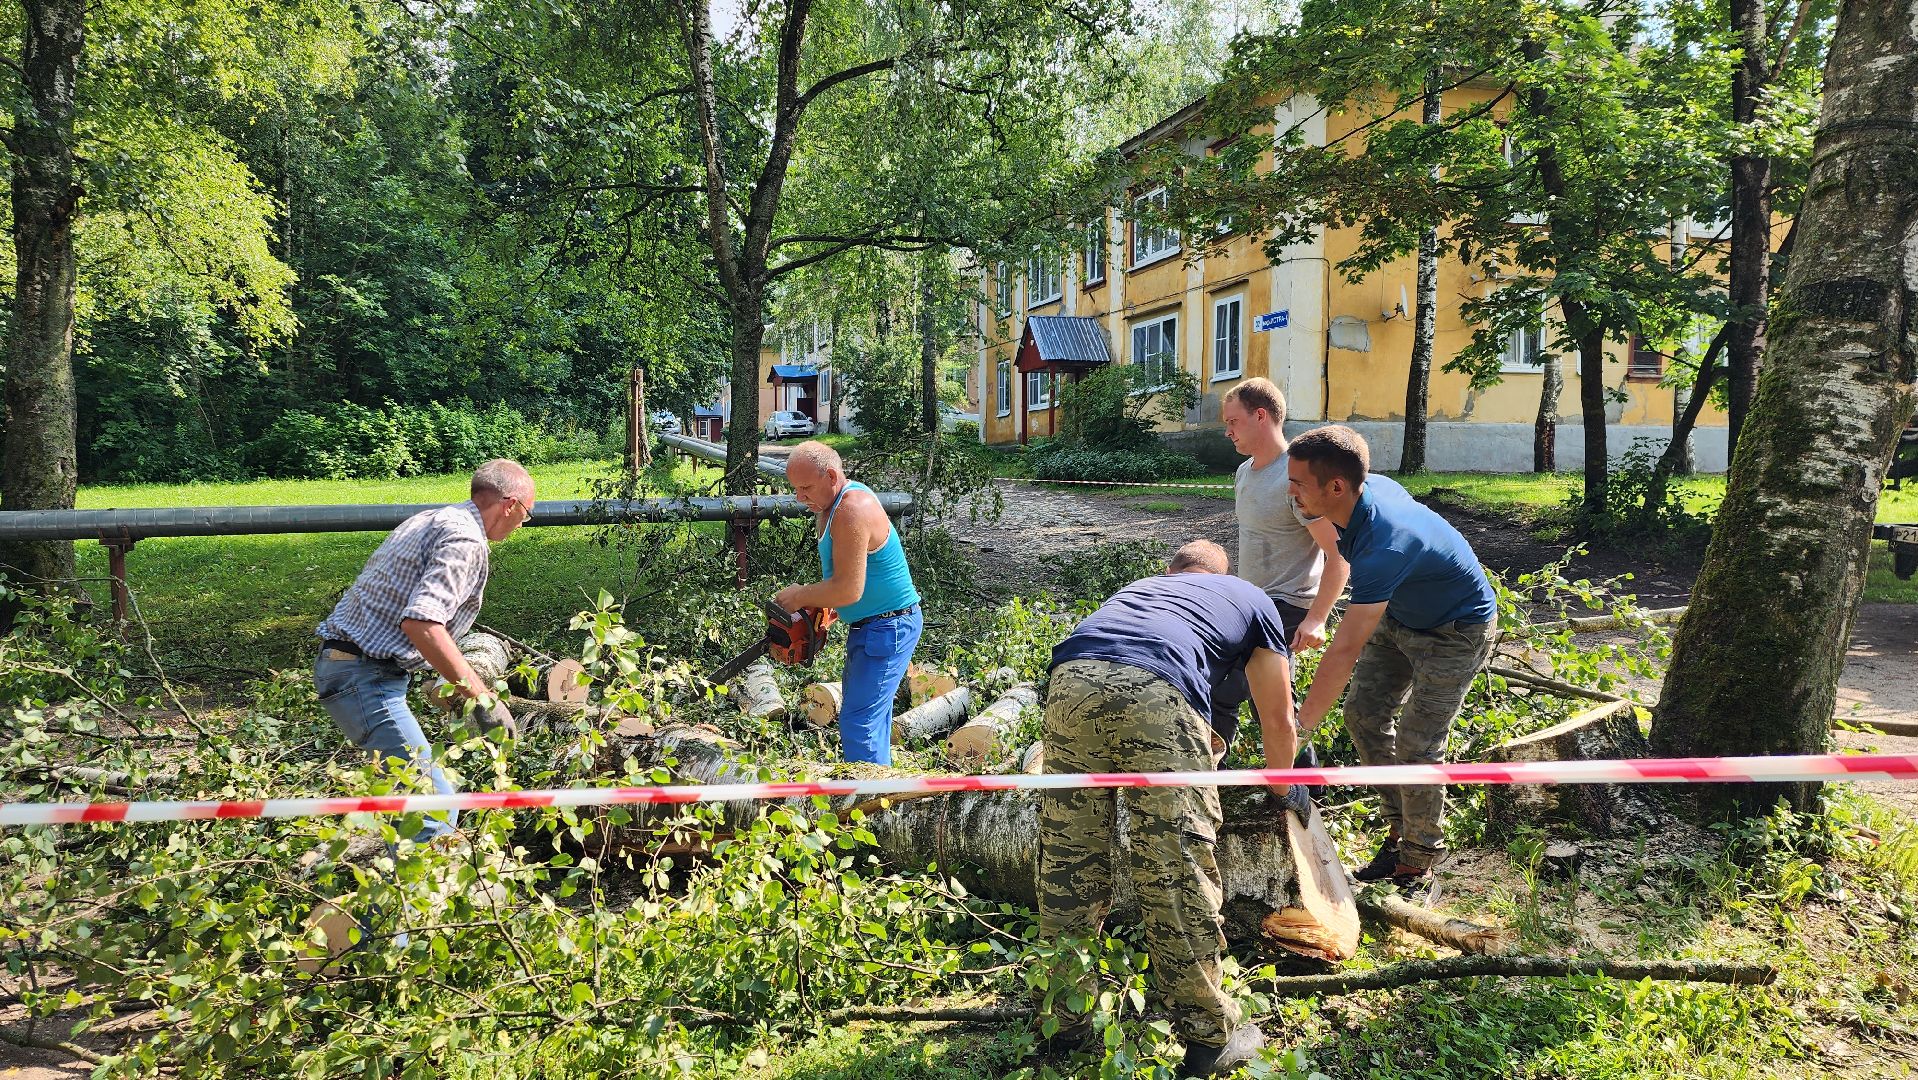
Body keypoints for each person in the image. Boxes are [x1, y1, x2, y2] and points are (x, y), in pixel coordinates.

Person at [1037, 539, 1306, 1078]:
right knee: (1174, 867)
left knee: (1070, 857)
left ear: (1173, 571)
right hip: (1156, 686)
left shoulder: (1140, 590)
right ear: (1220, 574)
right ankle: (1211, 1036)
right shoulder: (1252, 597)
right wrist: (1284, 787)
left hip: (1068, 680)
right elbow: (1276, 718)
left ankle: (1065, 1021)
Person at [1288, 426, 1496, 887]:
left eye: (1299, 483)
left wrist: (1298, 729)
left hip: (1456, 630)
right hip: (1400, 614)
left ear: (1336, 487)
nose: (1291, 491)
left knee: (1418, 744)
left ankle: (1418, 857)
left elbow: (1343, 649)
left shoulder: (1386, 545)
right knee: (1362, 715)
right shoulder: (1366, 492)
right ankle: (1400, 825)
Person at [314, 459, 534, 843]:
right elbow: (422, 624)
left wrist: (443, 678)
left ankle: (390, 887)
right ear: (510, 505)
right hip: (365, 678)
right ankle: (402, 903)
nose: (521, 524)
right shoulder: (465, 541)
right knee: (432, 809)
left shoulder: (432, 519)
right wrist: (482, 698)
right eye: (526, 515)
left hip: (352, 667)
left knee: (412, 802)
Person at [774, 441, 922, 766]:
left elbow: (848, 589)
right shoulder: (831, 506)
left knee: (859, 722)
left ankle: (869, 807)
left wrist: (800, 596)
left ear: (830, 475)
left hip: (888, 627)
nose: (800, 497)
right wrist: (826, 611)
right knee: (868, 718)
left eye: (805, 488)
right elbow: (851, 580)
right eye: (796, 489)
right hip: (873, 625)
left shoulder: (850, 509)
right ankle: (880, 795)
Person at [1221, 377, 1349, 652]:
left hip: (1287, 607)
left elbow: (1339, 554)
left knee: (1269, 694)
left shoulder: (1297, 475)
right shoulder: (1244, 472)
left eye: (1233, 421)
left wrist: (1316, 619)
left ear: (1259, 415)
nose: (1227, 431)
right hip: (1252, 601)